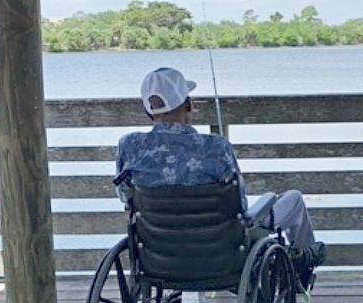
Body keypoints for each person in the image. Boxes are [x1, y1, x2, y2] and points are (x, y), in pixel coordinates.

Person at [116, 67, 325, 290]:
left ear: (149, 113)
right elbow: (241, 209)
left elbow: (125, 197)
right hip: (220, 252)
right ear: (189, 105)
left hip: (159, 252)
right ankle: (301, 269)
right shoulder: (216, 147)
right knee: (292, 199)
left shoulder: (130, 146)